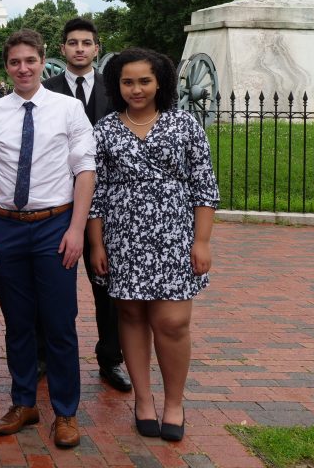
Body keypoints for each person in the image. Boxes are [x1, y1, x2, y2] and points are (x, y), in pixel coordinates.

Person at [0, 29, 95, 447]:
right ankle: (23, 402)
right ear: (8, 66)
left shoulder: (69, 109)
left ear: (43, 62)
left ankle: (66, 411)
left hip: (54, 226)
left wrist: (77, 229)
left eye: (30, 60)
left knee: (59, 324)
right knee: (17, 324)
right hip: (5, 226)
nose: (23, 68)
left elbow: (85, 171)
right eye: (15, 62)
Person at [88, 48, 218, 442]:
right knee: (131, 317)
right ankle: (143, 400)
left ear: (160, 81)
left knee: (172, 322)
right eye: (128, 82)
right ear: (117, 85)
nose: (136, 89)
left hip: (175, 234)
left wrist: (202, 240)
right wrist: (96, 244)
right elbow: (96, 191)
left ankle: (174, 402)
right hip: (123, 235)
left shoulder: (184, 125)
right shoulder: (105, 129)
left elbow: (204, 185)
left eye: (144, 80)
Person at [41, 18, 131, 393]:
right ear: (62, 49)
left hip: (108, 203)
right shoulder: (45, 91)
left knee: (107, 287)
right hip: (57, 200)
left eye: (86, 43)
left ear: (97, 48)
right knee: (49, 286)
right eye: (73, 43)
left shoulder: (118, 93)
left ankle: (111, 357)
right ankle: (45, 355)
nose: (79, 48)